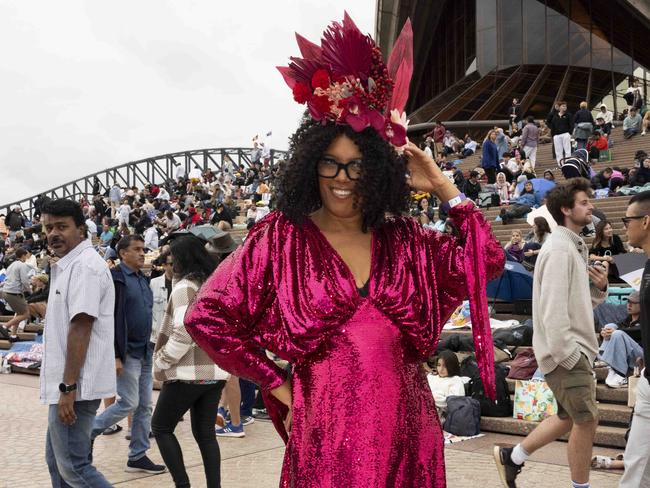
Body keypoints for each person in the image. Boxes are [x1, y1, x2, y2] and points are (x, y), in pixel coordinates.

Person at [183, 14, 505, 487]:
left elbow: (487, 262)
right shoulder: (281, 238)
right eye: (329, 163)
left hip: (408, 427)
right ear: (310, 164)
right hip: (328, 431)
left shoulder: (407, 239)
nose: (340, 177)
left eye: (355, 166)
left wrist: (442, 186)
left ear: (376, 170)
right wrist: (279, 385)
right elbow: (206, 317)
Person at [494, 178, 609, 488]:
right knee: (587, 420)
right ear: (566, 209)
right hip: (567, 352)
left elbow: (576, 303)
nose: (591, 207)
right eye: (584, 202)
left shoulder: (567, 246)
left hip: (567, 349)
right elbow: (553, 310)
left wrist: (600, 288)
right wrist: (569, 354)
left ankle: (513, 456)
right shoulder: (560, 249)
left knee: (569, 417)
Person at [39, 199, 115, 487]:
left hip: (75, 387)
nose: (53, 233)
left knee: (74, 467)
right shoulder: (70, 265)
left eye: (62, 226)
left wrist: (68, 388)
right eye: (49, 228)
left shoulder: (84, 267)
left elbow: (81, 326)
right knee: (57, 464)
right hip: (67, 384)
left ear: (81, 230)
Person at [152, 236, 229, 488]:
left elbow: (184, 330)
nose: (169, 263)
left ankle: (183, 485)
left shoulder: (186, 287)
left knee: (161, 427)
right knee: (205, 435)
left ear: (182, 259)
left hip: (188, 373)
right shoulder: (214, 284)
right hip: (214, 373)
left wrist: (162, 361)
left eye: (172, 258)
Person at [90, 235, 166, 475]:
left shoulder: (143, 280)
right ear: (123, 253)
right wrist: (114, 354)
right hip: (126, 352)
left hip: (144, 350)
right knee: (130, 402)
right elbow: (107, 319)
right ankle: (88, 431)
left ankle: (137, 455)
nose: (143, 253)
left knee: (144, 406)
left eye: (143, 249)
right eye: (137, 249)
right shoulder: (115, 279)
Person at [619, 190, 650, 487]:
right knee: (636, 468)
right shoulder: (645, 265)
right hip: (648, 382)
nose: (624, 225)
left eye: (627, 219)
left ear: (646, 221)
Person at [598, 291, 644, 388]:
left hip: (641, 358)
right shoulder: (626, 320)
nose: (629, 305)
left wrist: (616, 331)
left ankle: (620, 374)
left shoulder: (646, 320)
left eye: (634, 302)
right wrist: (604, 334)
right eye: (628, 302)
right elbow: (617, 329)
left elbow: (637, 331)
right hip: (627, 355)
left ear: (642, 305)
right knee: (610, 326)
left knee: (618, 333)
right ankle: (604, 360)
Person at [0, 246, 33, 340]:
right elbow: (25, 281)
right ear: (23, 255)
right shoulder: (22, 265)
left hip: (7, 291)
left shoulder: (11, 265)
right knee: (26, 314)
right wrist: (30, 291)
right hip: (13, 292)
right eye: (26, 255)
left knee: (19, 314)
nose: (27, 257)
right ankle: (5, 326)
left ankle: (13, 335)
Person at [427, 350, 465, 422]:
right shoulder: (430, 377)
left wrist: (430, 396)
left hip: (438, 415)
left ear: (451, 366)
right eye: (439, 365)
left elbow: (453, 402)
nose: (441, 369)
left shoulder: (456, 380)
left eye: (445, 366)